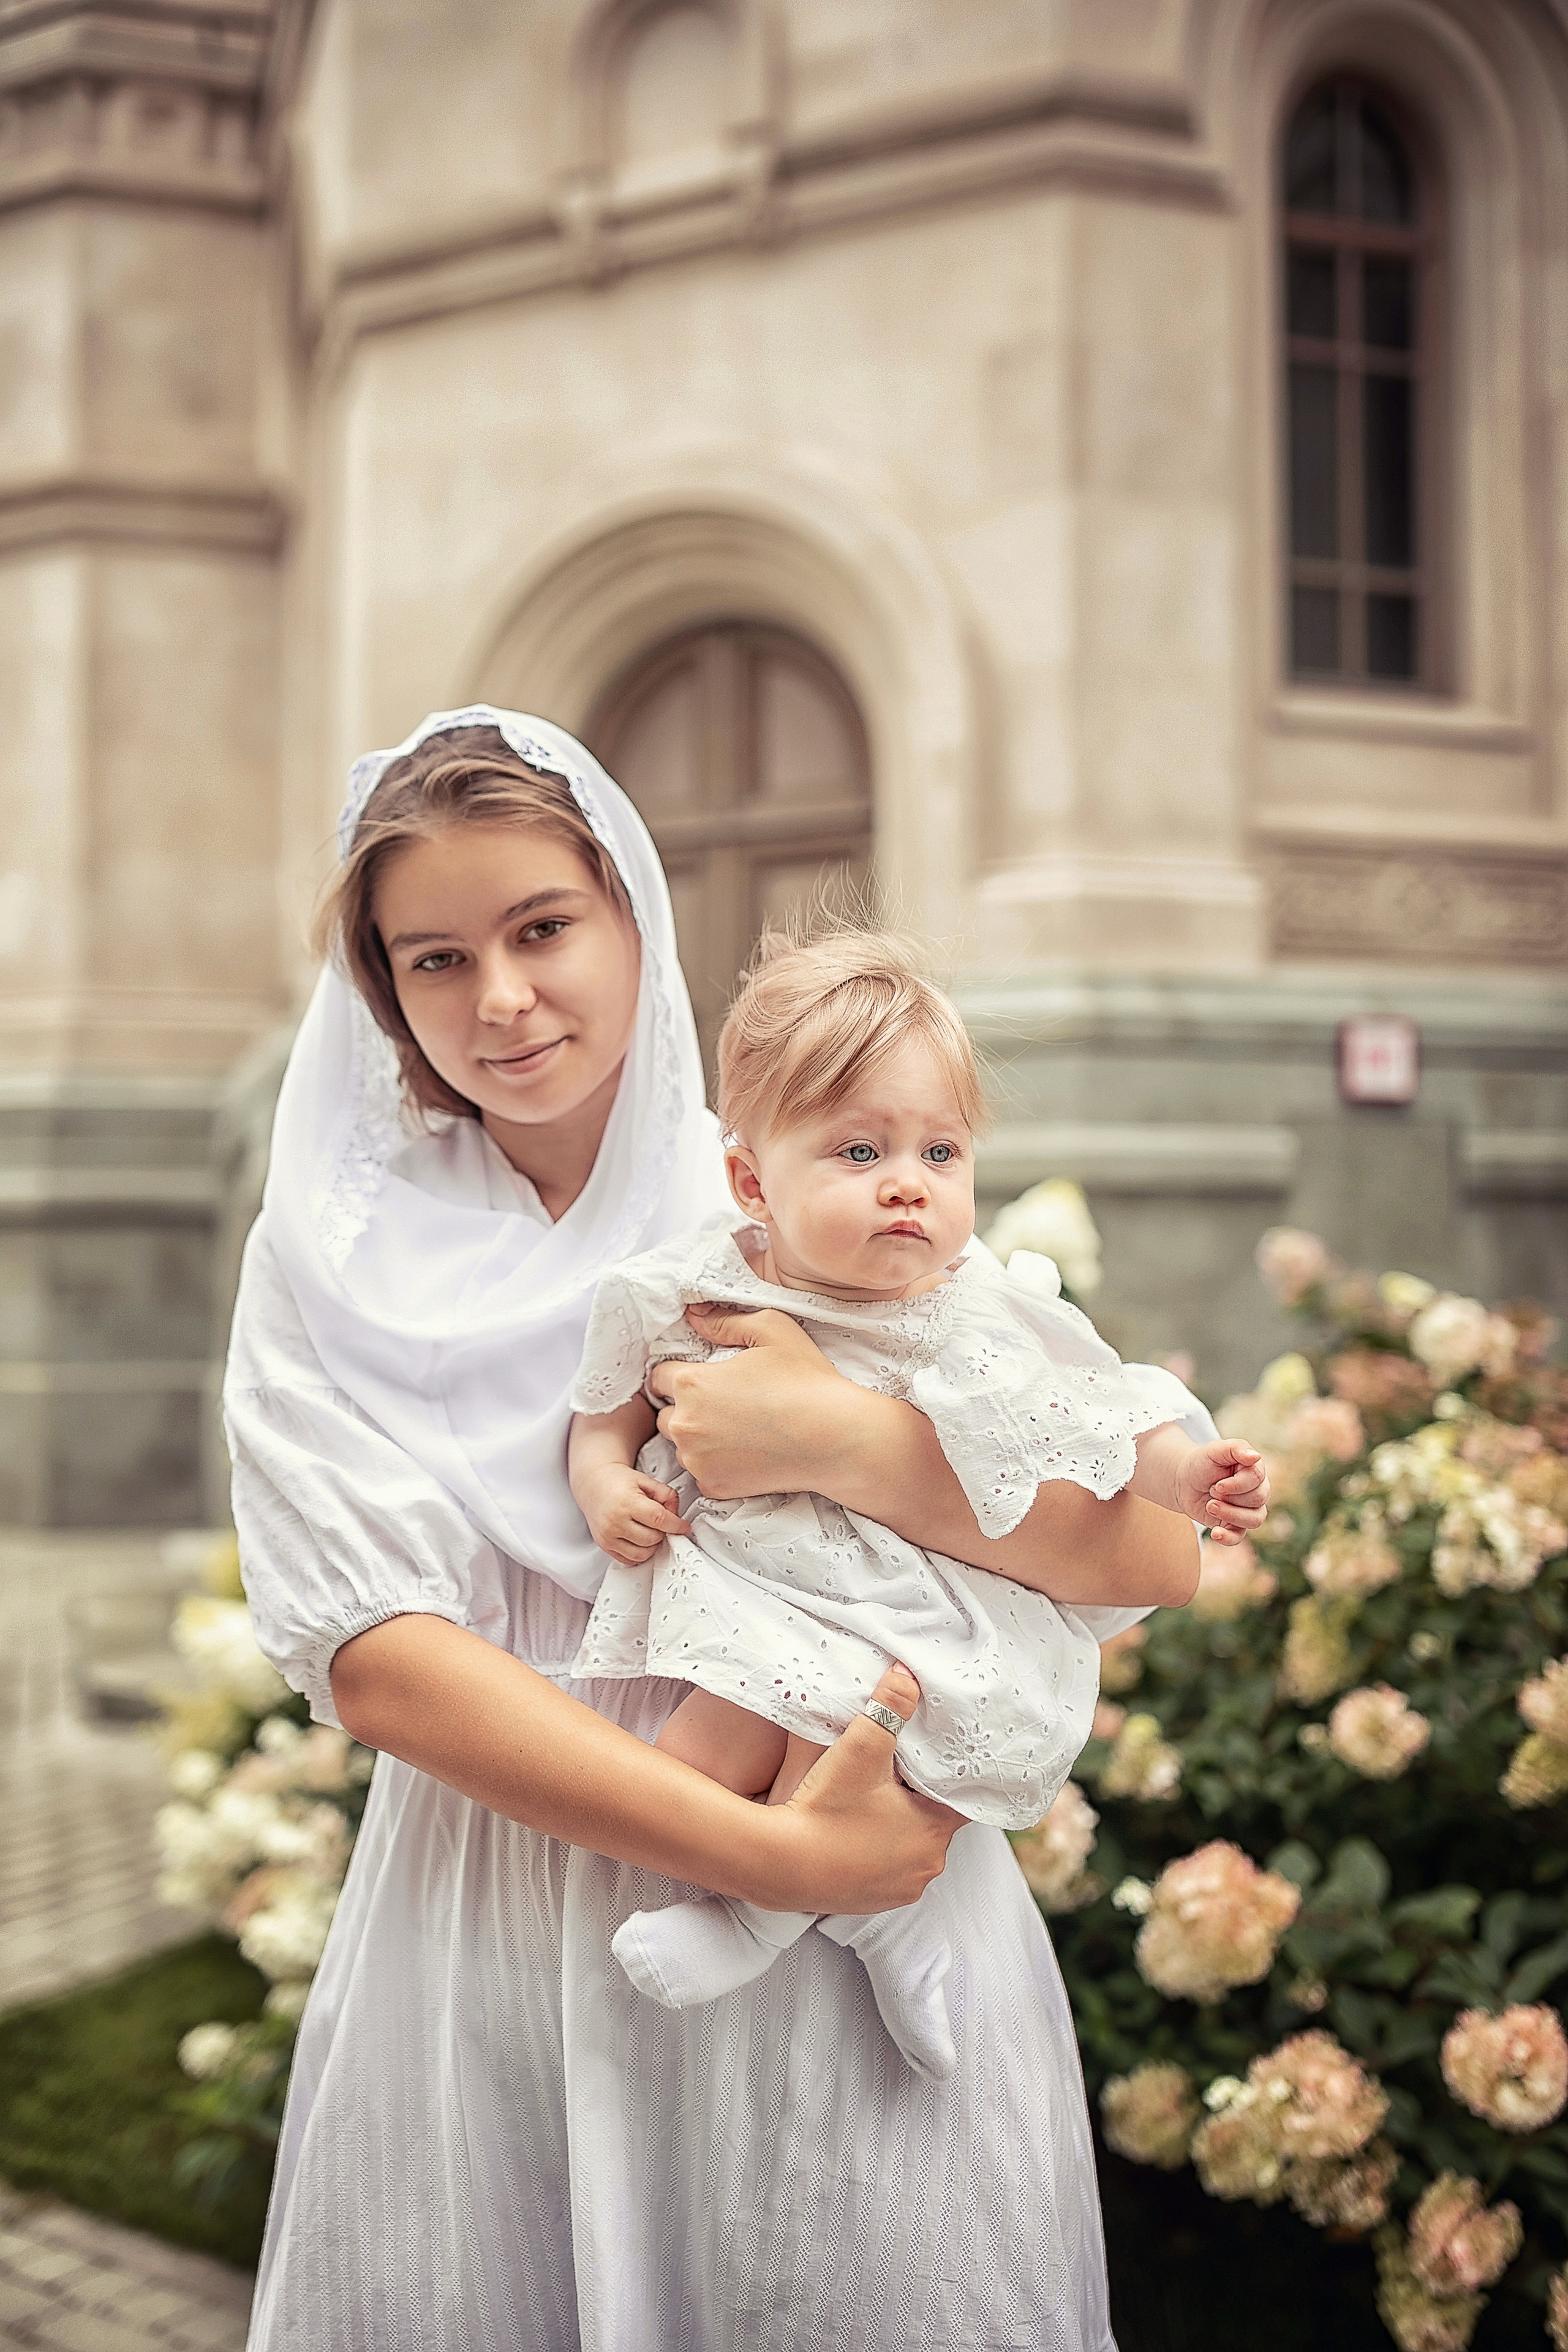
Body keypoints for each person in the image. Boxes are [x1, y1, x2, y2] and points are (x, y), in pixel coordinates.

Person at [227, 704, 1208, 2352]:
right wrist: (769, 1858)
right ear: (382, 993)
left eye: (544, 927)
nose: (504, 999)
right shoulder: (325, 1261)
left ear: (631, 913)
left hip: (838, 1885)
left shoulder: (799, 1175)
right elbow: (380, 1662)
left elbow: (1151, 1554)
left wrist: (851, 1442)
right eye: (434, 960)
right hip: (514, 1890)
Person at [568, 930, 1264, 2078]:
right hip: (764, 1589)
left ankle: (780, 1922)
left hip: (912, 1608)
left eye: (941, 1151)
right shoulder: (704, 1284)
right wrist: (605, 1480)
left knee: (858, 1741)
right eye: (857, 1150)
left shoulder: (977, 1306)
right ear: (753, 1181)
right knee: (695, 1763)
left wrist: (1186, 1473)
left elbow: (1103, 1411)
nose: (909, 1183)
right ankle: (875, 1920)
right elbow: (602, 1401)